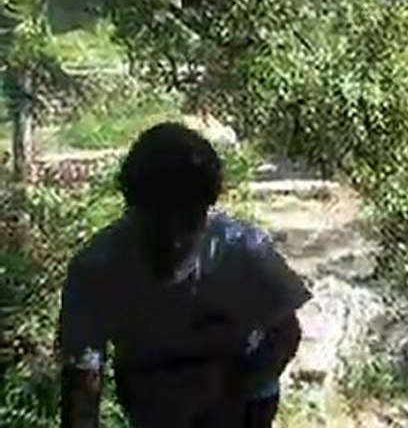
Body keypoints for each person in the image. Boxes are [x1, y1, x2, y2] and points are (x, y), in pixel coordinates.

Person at [58, 122, 312, 428]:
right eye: (158, 222)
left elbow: (285, 331)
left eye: (189, 220)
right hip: (152, 398)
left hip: (238, 397)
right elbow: (82, 383)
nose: (174, 238)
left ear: (207, 209)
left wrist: (237, 389)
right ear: (132, 208)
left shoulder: (242, 248)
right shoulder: (96, 269)